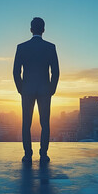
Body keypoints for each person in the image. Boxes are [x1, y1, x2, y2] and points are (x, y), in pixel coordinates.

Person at [13, 17, 60, 163]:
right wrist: (51, 89)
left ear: (31, 29)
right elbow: (56, 72)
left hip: (27, 89)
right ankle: (43, 154)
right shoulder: (50, 47)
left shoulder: (21, 47)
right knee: (44, 123)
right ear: (43, 30)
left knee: (26, 123)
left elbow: (16, 72)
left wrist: (21, 89)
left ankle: (28, 155)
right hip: (45, 90)